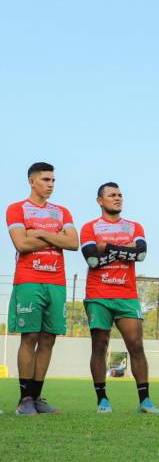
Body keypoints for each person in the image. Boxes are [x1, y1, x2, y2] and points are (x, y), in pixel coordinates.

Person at [80, 182, 159, 415]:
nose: (117, 198)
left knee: (136, 346)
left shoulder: (134, 226)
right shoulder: (89, 227)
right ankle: (102, 400)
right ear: (100, 201)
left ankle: (145, 401)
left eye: (120, 195)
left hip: (127, 295)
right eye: (112, 195)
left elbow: (141, 254)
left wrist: (109, 247)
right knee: (99, 346)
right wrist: (126, 251)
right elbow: (92, 260)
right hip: (98, 295)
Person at [6, 162, 78, 415]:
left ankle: (37, 398)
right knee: (30, 338)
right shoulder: (17, 209)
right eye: (46, 180)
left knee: (48, 339)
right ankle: (24, 400)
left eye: (53, 180)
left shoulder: (62, 211)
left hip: (57, 283)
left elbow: (73, 242)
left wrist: (38, 232)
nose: (51, 185)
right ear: (32, 181)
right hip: (28, 280)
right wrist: (53, 236)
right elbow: (21, 244)